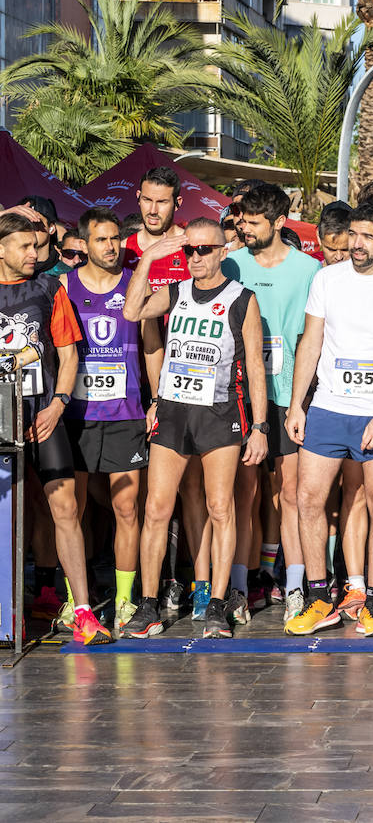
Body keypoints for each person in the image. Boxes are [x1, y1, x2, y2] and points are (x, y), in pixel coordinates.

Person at [121, 217, 268, 639]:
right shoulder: (177, 290)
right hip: (174, 410)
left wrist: (259, 426)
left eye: (205, 249)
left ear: (223, 251)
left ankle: (218, 605)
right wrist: (150, 256)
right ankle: (147, 605)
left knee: (221, 508)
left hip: (218, 413)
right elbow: (132, 310)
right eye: (189, 250)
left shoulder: (242, 298)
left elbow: (255, 366)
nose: (196, 257)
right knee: (156, 509)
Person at [284, 201, 373, 638]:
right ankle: (321, 597)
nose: (357, 245)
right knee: (308, 500)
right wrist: (296, 404)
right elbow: (311, 342)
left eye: (367, 237)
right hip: (327, 407)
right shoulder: (327, 279)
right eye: (354, 235)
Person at [0, 212, 113, 644]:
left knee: (64, 509)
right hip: (1, 419)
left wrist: (59, 404)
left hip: (44, 415)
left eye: (37, 245)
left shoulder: (49, 288)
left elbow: (68, 358)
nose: (35, 254)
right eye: (25, 247)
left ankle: (83, 611)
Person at [220, 185, 321, 630]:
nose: (244, 229)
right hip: (238, 398)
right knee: (243, 495)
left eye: (254, 222)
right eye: (242, 221)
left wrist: (299, 401)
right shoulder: (230, 264)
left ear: (280, 222)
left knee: (293, 495)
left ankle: (296, 587)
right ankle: (238, 588)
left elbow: (310, 340)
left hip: (287, 398)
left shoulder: (309, 270)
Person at [61, 209, 160, 634]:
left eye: (116, 238)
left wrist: (157, 399)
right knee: (73, 509)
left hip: (126, 412)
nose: (111, 246)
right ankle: (75, 602)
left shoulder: (134, 284)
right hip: (77, 415)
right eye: (102, 240)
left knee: (125, 507)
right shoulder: (64, 286)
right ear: (84, 244)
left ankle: (123, 600)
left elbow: (151, 344)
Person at [122, 167, 188, 290]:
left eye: (162, 202)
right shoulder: (123, 249)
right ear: (138, 197)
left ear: (177, 203)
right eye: (147, 200)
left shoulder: (190, 245)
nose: (153, 211)